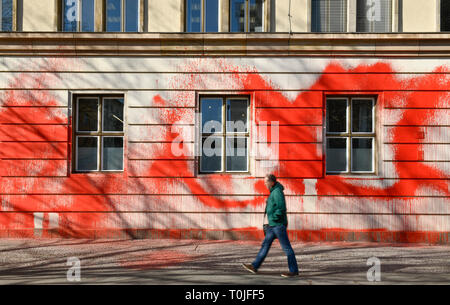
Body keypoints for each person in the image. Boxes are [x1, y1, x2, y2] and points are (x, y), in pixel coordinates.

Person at [242, 174, 299, 277]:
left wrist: (273, 217)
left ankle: (294, 271)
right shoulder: (274, 191)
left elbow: (281, 208)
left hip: (278, 225)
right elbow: (275, 206)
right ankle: (254, 266)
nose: (265, 184)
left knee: (287, 248)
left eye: (266, 182)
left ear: (271, 182)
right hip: (272, 226)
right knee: (265, 245)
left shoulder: (277, 192)